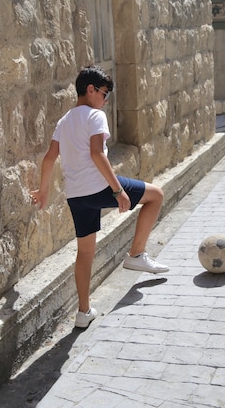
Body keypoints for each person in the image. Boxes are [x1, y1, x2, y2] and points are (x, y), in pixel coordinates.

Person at [30, 65, 169, 328]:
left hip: (76, 196)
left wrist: (43, 190)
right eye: (105, 94)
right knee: (156, 195)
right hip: (99, 188)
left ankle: (83, 312)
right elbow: (97, 153)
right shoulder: (94, 116)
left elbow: (49, 158)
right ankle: (136, 254)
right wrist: (118, 191)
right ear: (90, 90)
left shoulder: (64, 121)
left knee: (84, 253)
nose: (106, 101)